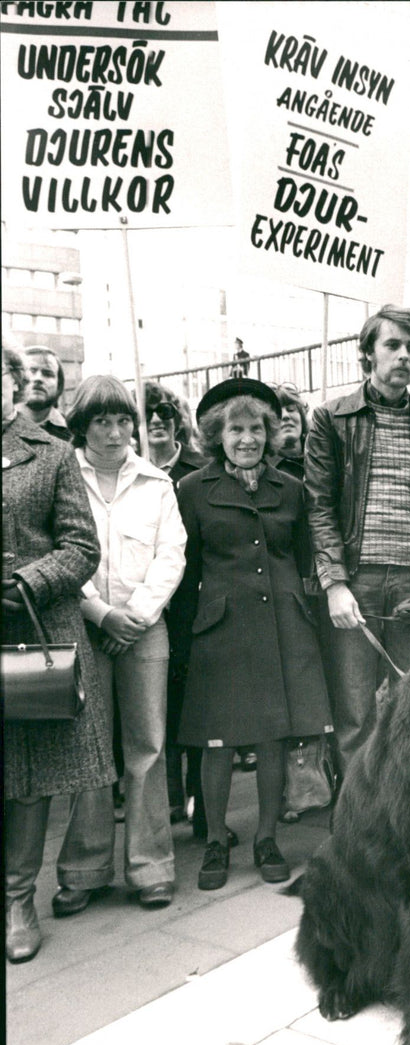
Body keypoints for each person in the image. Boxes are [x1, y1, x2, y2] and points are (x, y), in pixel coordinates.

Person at [171, 378, 332, 889]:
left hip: (285, 626)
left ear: (271, 434)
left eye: (257, 429)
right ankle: (216, 840)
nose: (247, 439)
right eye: (236, 429)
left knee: (271, 740)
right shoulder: (193, 490)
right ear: (218, 436)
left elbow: (307, 557)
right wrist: (185, 639)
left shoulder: (292, 488)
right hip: (221, 630)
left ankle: (266, 839)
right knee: (216, 742)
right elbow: (187, 566)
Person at [304, 305, 410, 776]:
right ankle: (353, 822)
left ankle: (407, 813)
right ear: (367, 355)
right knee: (354, 714)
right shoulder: (331, 419)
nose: (403, 356)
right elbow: (318, 506)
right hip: (357, 582)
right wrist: (334, 584)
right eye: (392, 345)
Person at [54, 377, 186, 915]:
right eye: (102, 422)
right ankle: (84, 868)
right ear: (81, 427)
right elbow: (59, 546)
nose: (114, 433)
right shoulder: (63, 476)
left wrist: (136, 615)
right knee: (89, 747)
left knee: (148, 747)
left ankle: (151, 867)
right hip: (84, 625)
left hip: (143, 627)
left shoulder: (157, 483)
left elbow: (171, 555)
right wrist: (100, 614)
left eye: (122, 421)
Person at [3, 343, 116, 962]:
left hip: (33, 629)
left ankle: (19, 900)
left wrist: (28, 582)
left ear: (14, 384)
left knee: (25, 773)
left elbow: (80, 546)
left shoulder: (50, 454)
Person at [143, 381, 207, 826]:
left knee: (193, 704)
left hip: (189, 604)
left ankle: (200, 799)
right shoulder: (129, 470)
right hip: (141, 603)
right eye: (146, 412)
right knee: (153, 712)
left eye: (164, 410)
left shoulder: (197, 470)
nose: (156, 419)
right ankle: (166, 799)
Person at [20, 345, 71, 440]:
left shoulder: (74, 432)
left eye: (48, 374)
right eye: (31, 371)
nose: (38, 378)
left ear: (59, 386)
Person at [275, 382, 309, 481]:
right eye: (277, 412)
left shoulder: (321, 457)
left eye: (291, 409)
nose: (285, 416)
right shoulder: (262, 470)